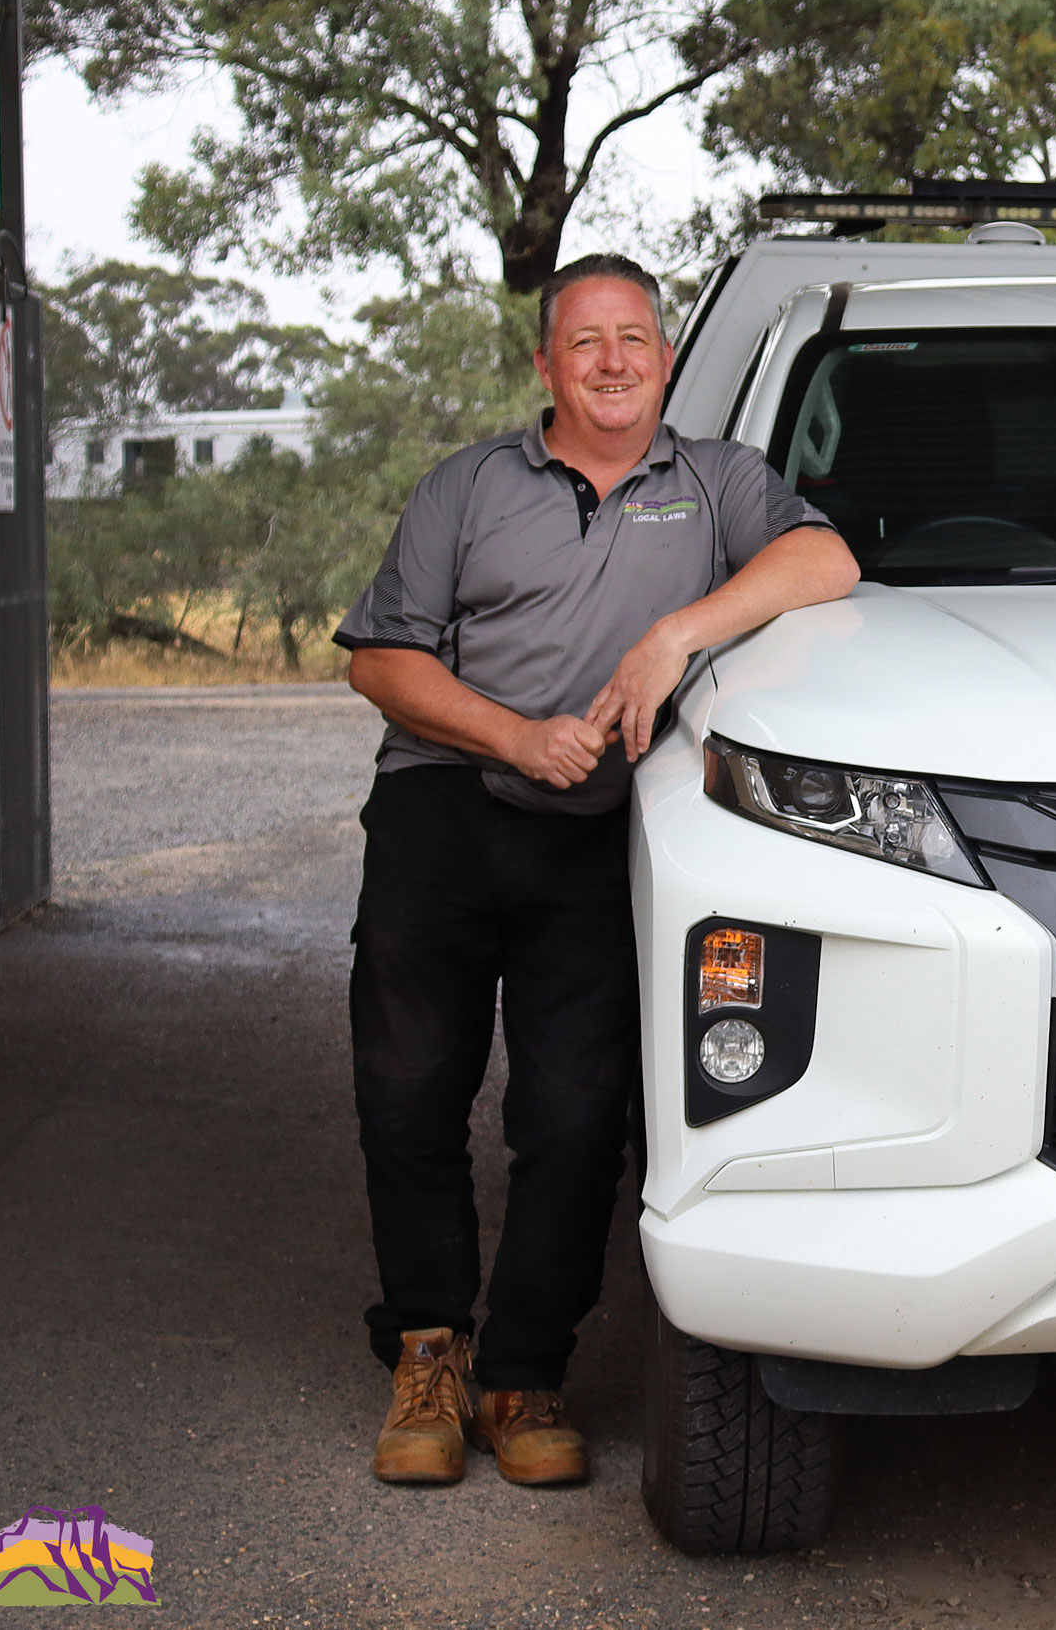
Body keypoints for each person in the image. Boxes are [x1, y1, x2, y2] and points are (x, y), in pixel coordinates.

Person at [334, 253, 860, 1487]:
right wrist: (513, 734)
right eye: (585, 343)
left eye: (633, 339)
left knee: (576, 1115)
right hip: (444, 809)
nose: (613, 361)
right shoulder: (470, 485)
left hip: (600, 836)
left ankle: (524, 1376)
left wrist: (675, 633)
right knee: (408, 1090)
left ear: (666, 359)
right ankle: (426, 1355)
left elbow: (825, 564)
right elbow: (378, 661)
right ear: (546, 366)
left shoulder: (718, 483)